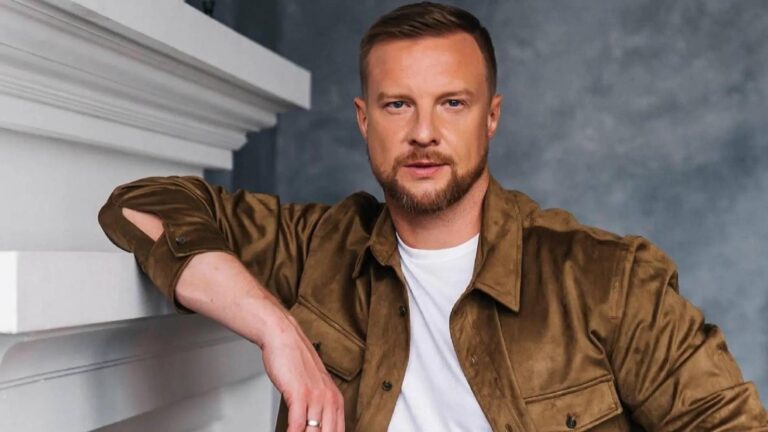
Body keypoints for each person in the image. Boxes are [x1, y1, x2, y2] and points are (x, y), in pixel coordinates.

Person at [98, 2, 767, 431]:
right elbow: (139, 205)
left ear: (490, 117)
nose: (423, 132)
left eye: (452, 103)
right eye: (397, 105)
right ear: (364, 119)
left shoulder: (607, 280)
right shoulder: (317, 248)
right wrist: (278, 331)